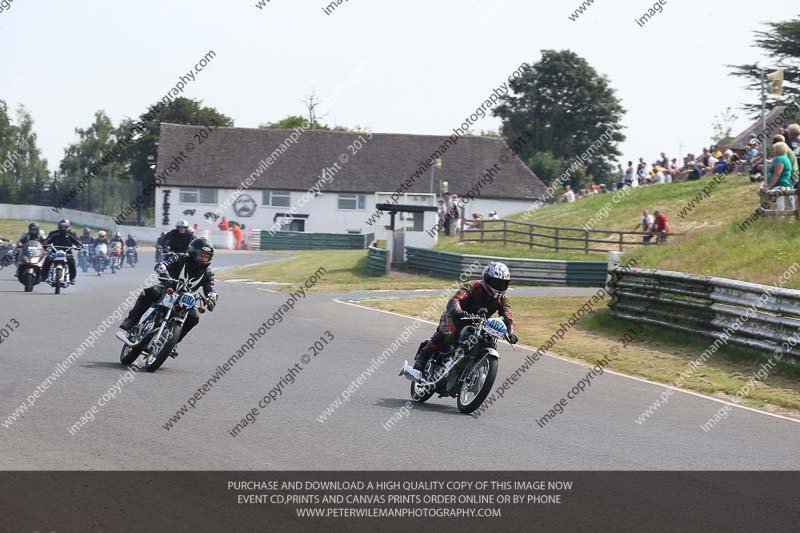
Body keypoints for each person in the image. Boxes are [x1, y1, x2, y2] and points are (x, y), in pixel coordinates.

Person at [408, 262, 518, 379]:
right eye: (496, 282)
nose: (499, 287)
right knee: (447, 334)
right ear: (487, 278)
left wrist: (511, 333)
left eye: (502, 284)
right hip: (456, 317)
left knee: (488, 341)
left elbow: (508, 317)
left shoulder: (503, 299)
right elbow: (456, 300)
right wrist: (458, 311)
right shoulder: (473, 285)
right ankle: (419, 365)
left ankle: (472, 369)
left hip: (479, 322)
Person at [119, 238, 218, 358]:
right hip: (168, 289)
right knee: (150, 292)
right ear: (193, 252)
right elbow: (164, 264)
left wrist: (211, 298)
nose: (203, 259)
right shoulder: (180, 258)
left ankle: (173, 342)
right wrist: (162, 270)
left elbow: (211, 288)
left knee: (194, 317)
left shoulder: (207, 273)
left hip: (185, 298)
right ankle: (131, 320)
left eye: (206, 257)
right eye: (201, 255)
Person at [42, 219, 83, 285]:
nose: (63, 229)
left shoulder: (72, 234)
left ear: (68, 226)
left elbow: (78, 241)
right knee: (48, 259)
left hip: (67, 253)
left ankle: (72, 278)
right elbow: (47, 240)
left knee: (71, 261)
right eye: (61, 227)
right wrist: (45, 244)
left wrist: (79, 245)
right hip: (55, 252)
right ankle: (43, 276)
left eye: (65, 227)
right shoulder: (53, 233)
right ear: (58, 226)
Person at [761, 141, 795, 211]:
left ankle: (779, 222)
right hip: (783, 186)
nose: (773, 151)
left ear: (777, 151)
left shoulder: (779, 159)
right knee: (779, 209)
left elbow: (777, 174)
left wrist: (768, 187)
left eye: (774, 149)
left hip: (779, 187)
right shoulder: (785, 158)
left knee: (778, 210)